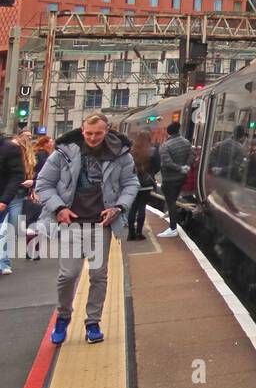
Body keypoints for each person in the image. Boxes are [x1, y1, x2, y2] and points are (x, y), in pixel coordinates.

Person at [35, 113, 140, 345]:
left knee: (98, 275)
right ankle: (63, 316)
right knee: (68, 275)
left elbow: (131, 183)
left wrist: (120, 207)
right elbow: (43, 184)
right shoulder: (63, 152)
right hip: (70, 223)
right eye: (89, 133)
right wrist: (59, 207)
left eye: (98, 133)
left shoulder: (120, 154)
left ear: (107, 131)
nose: (93, 138)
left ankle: (93, 322)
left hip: (100, 225)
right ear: (83, 131)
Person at [156, 121, 192, 239]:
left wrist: (179, 168)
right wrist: (186, 166)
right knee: (174, 200)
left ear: (168, 132)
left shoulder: (165, 146)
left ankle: (173, 228)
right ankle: (173, 217)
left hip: (170, 178)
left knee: (170, 202)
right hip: (181, 178)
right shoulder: (187, 143)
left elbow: (167, 162)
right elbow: (192, 156)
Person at [0, 132, 27, 276]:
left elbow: (17, 174)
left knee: (9, 228)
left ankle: (4, 262)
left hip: (13, 196)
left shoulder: (10, 149)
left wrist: (4, 200)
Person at [127, 132, 158, 241]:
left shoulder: (131, 152)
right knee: (142, 207)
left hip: (133, 183)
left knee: (133, 208)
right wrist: (150, 174)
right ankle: (139, 233)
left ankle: (131, 234)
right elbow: (158, 166)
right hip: (147, 184)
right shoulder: (153, 152)